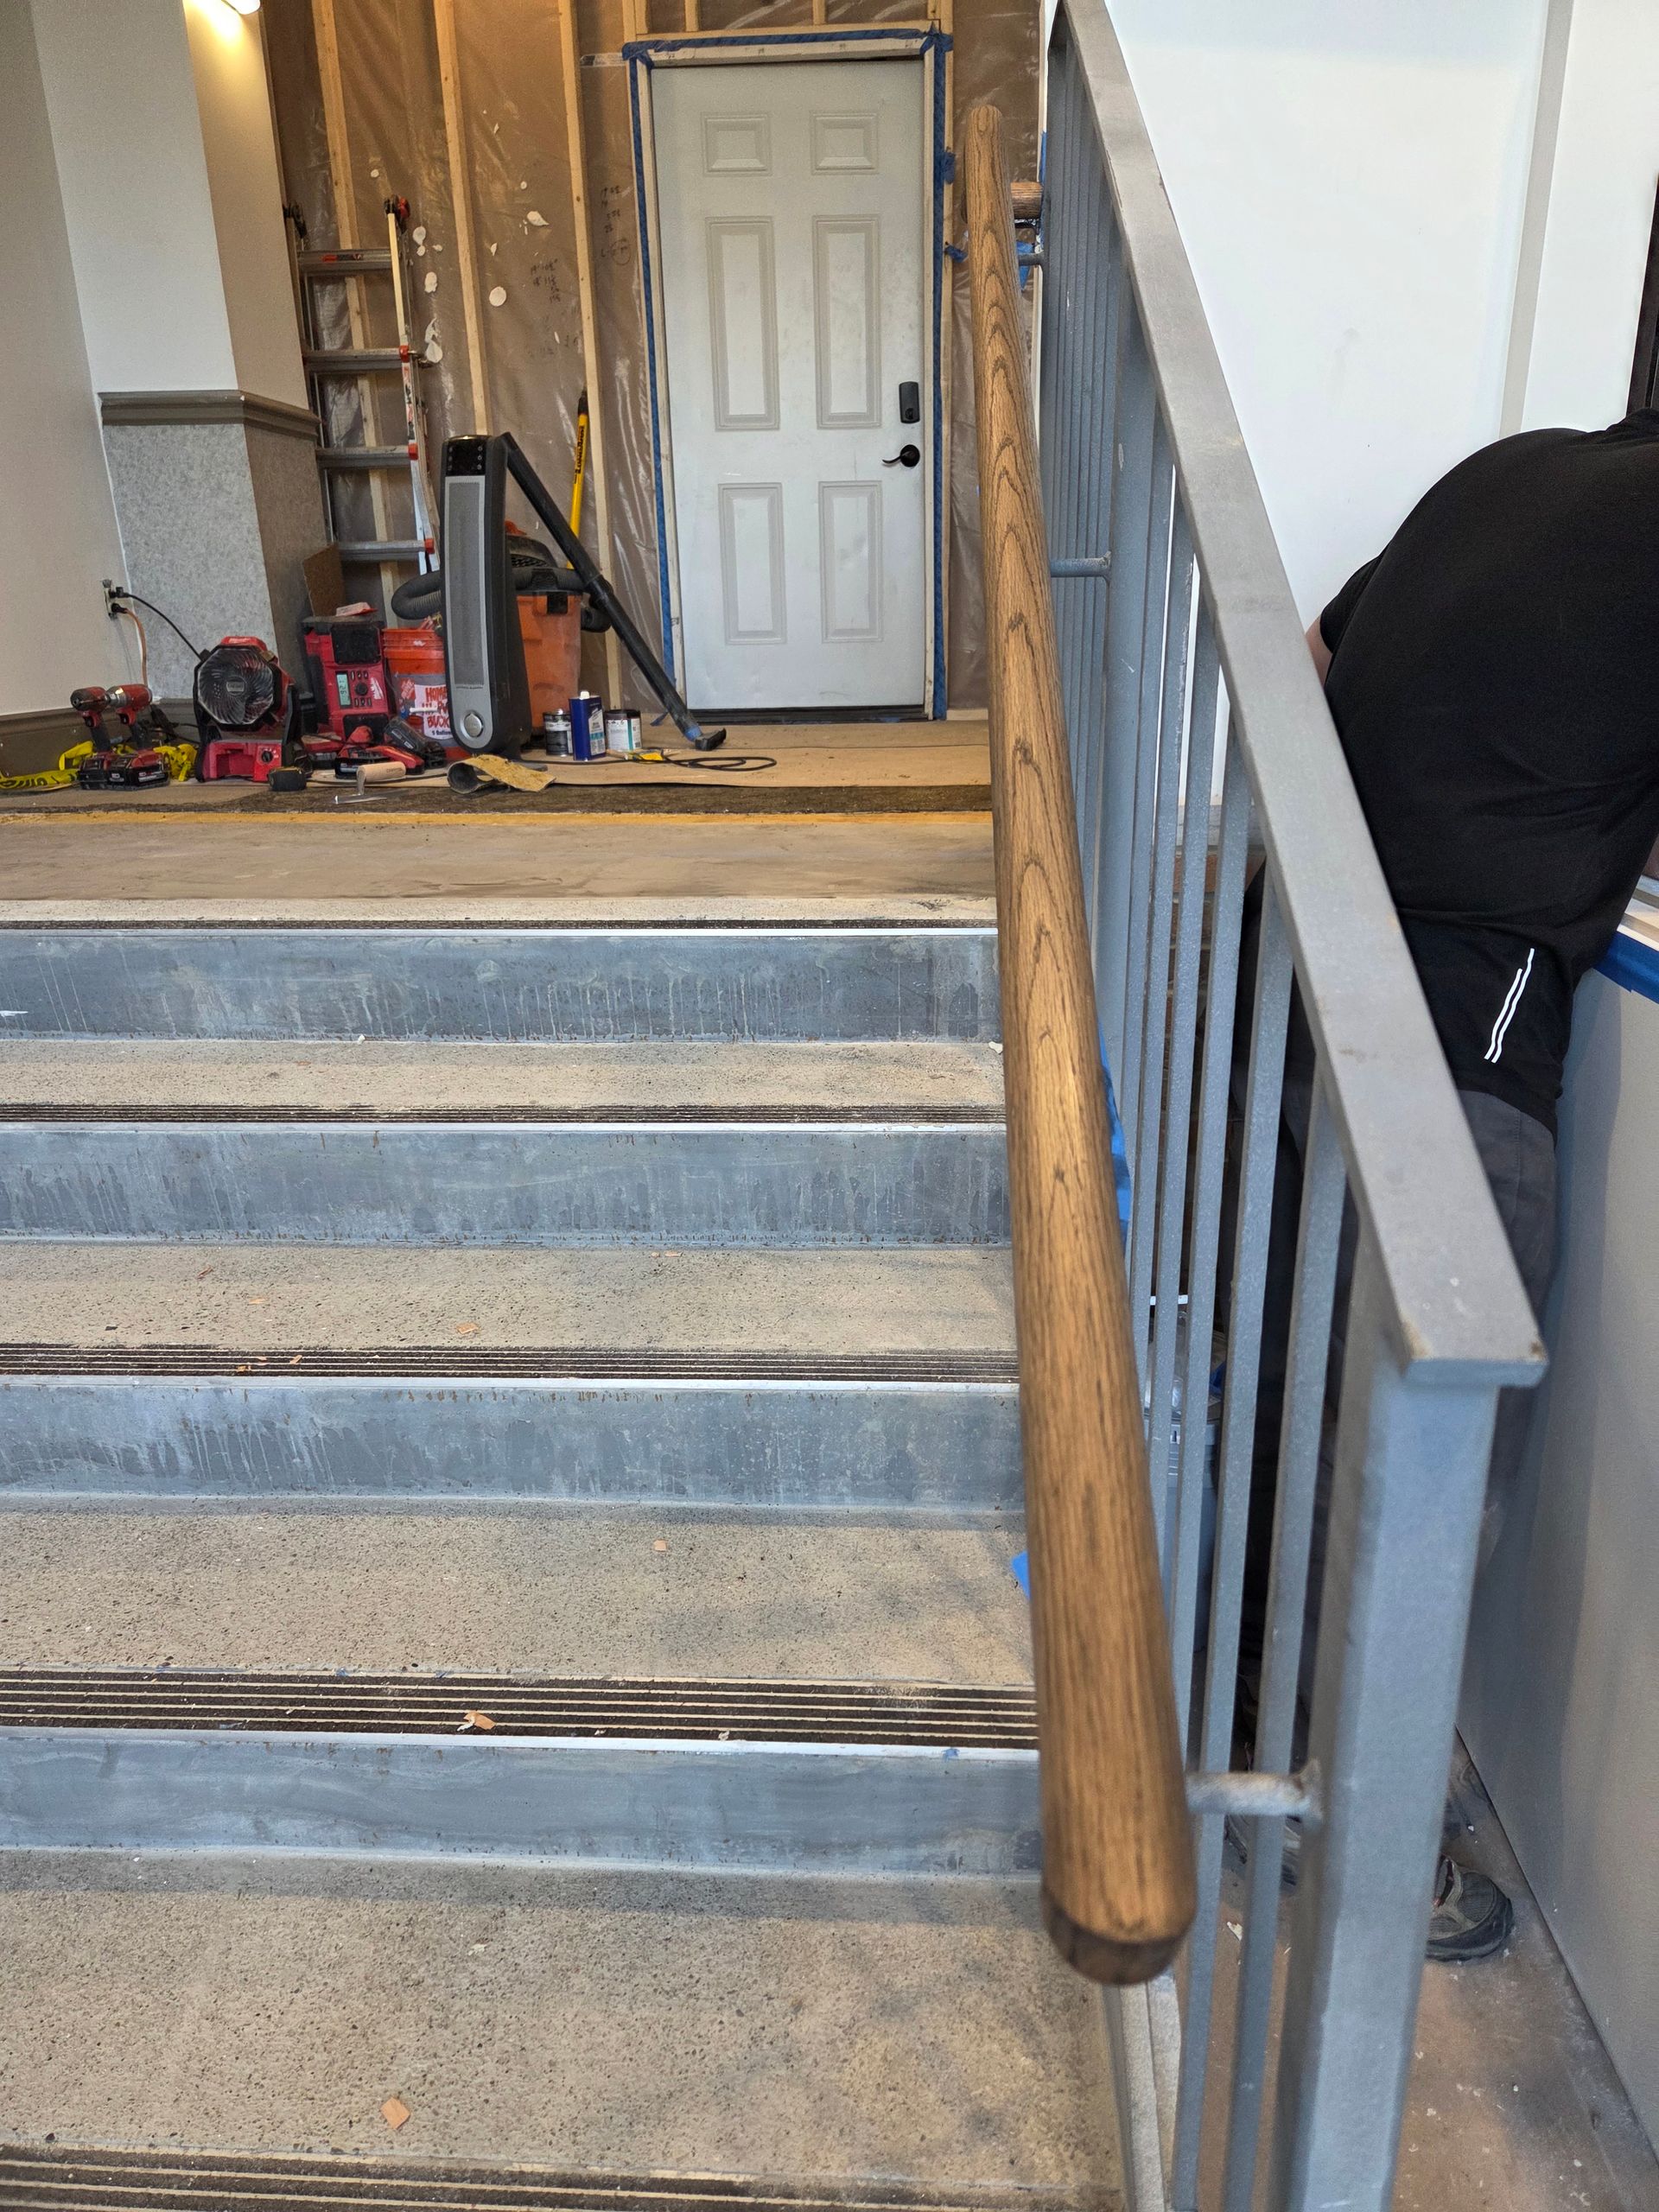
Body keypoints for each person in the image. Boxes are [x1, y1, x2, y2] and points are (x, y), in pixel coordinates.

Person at [1231, 407, 1659, 1962]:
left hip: (1293, 960)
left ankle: (1249, 1754)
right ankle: (1361, 1846)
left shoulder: (1515, 466)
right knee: (1425, 1456)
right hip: (1453, 1016)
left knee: (1285, 1393)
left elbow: (1321, 655)